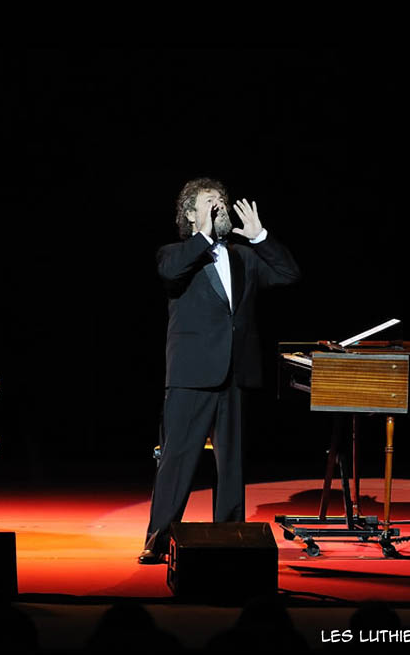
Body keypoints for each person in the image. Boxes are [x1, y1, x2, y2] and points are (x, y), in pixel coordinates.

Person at [139, 178, 301, 564]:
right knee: (177, 460)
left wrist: (260, 236)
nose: (218, 209)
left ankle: (230, 539)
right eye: (209, 204)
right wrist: (203, 235)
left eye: (221, 203)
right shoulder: (175, 253)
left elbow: (288, 274)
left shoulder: (243, 257)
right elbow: (170, 273)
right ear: (189, 214)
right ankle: (158, 540)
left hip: (236, 374)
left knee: (231, 465)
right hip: (191, 374)